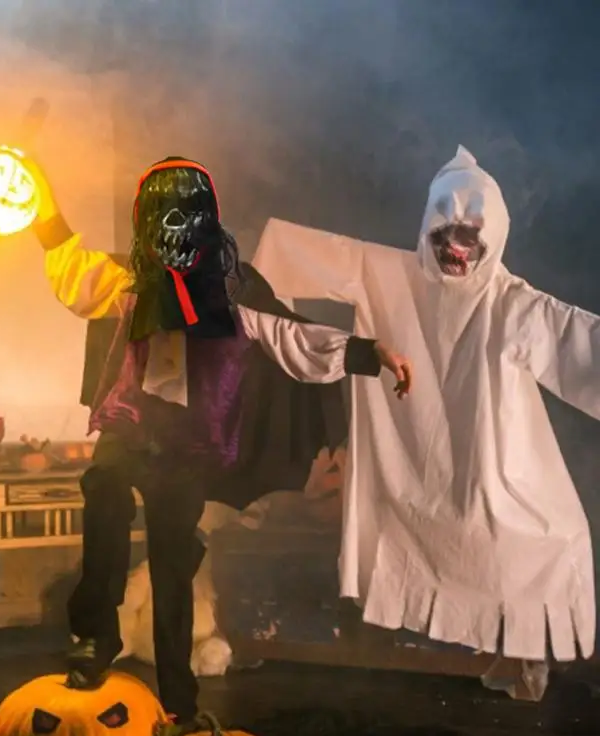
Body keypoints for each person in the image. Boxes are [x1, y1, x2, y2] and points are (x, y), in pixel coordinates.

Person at [27, 155, 412, 728]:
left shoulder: (235, 298)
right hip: (129, 425)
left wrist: (370, 352)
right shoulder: (128, 284)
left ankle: (178, 699)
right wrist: (42, 208)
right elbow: (74, 276)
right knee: (104, 485)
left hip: (187, 448)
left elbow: (297, 341)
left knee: (171, 565)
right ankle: (97, 634)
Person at [250, 146, 598, 672]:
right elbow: (293, 257)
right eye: (446, 234)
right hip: (407, 467)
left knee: (550, 540)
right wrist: (232, 280)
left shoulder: (510, 303)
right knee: (414, 533)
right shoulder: (389, 273)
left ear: (492, 235)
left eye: (470, 236)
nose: (457, 250)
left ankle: (513, 652)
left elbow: (575, 342)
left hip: (483, 465)